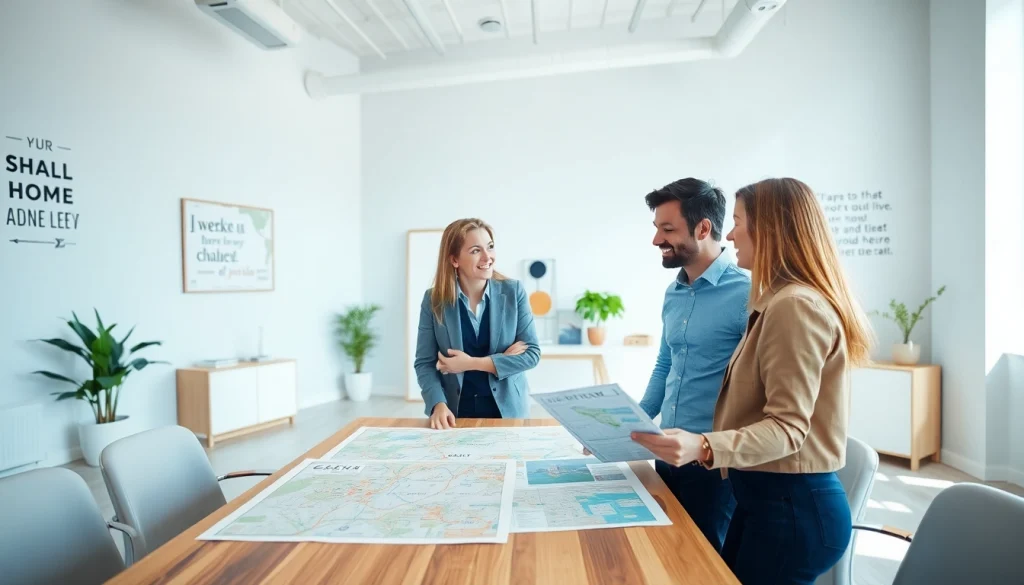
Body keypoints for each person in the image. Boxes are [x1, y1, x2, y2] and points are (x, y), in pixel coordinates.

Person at [631, 177, 874, 585]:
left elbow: (788, 427)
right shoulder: (777, 300)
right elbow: (668, 364)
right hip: (761, 492)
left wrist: (703, 443)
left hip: (786, 503)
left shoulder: (792, 305)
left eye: (739, 221)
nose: (730, 233)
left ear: (771, 229)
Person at [635, 177, 751, 553]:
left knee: (703, 561)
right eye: (656, 229)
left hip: (713, 465)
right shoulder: (674, 291)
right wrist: (632, 421)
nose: (656, 241)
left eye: (668, 230)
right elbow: (666, 363)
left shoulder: (747, 295)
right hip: (668, 453)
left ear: (704, 228)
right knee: (667, 550)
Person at [414, 218, 541, 429]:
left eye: (490, 247)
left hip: (508, 412)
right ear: (454, 260)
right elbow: (425, 363)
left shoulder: (513, 292)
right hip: (454, 414)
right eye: (475, 250)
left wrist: (470, 363)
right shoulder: (434, 300)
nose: (487, 257)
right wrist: (437, 404)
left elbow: (532, 354)